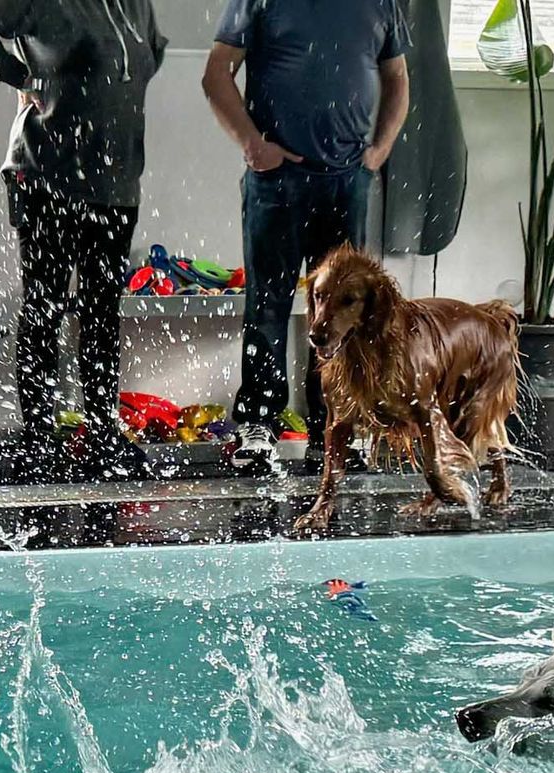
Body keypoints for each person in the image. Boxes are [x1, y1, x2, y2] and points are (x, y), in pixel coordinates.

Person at [0, 0, 165, 482]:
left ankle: (103, 436)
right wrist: (19, 76)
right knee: (44, 308)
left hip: (117, 185)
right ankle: (39, 439)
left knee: (102, 314)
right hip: (46, 178)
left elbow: (146, 61)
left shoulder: (137, 6)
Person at [201, 0, 411, 466]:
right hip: (277, 180)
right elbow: (216, 74)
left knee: (344, 310)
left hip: (348, 181)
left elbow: (398, 77)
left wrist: (378, 152)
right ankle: (258, 425)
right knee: (268, 304)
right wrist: (253, 145)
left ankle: (335, 427)